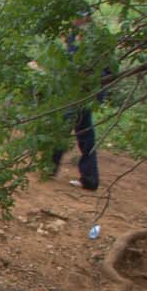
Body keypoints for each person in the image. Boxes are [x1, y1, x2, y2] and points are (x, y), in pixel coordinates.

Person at [53, 11, 103, 191]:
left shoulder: (91, 38)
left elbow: (96, 68)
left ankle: (50, 167)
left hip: (82, 92)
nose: (72, 20)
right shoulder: (77, 34)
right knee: (84, 132)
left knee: (64, 126)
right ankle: (89, 178)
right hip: (77, 91)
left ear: (85, 17)